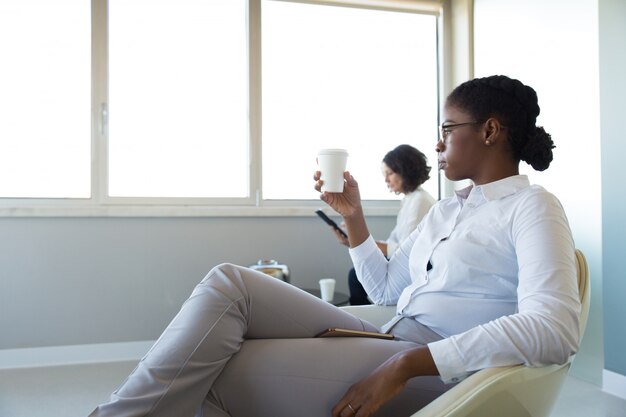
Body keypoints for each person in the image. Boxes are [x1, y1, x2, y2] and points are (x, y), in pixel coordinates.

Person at [89, 75, 581, 417]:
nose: (438, 145)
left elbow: (554, 328)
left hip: (440, 367)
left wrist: (406, 364)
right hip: (394, 335)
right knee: (230, 282)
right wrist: (355, 219)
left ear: (490, 131)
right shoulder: (448, 211)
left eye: (447, 130)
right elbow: (385, 287)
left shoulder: (533, 209)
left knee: (226, 368)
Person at [329, 144, 435, 305]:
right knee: (356, 274)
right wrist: (354, 240)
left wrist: (361, 243)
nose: (386, 180)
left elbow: (405, 250)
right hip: (404, 258)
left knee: (355, 276)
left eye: (390, 173)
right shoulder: (409, 200)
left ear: (406, 170)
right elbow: (393, 243)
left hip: (418, 266)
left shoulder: (420, 201)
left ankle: (362, 322)